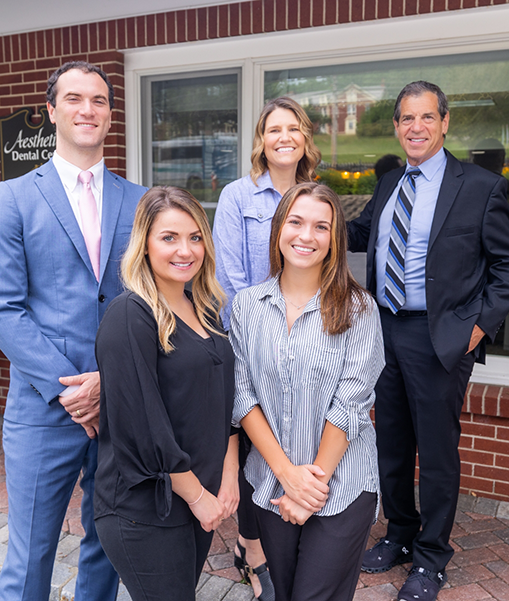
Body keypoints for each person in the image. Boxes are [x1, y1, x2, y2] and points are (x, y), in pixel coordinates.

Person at [347, 81, 509, 601]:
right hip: (385, 330)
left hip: (440, 337)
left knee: (437, 452)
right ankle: (399, 533)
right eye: (405, 119)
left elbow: (505, 267)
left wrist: (477, 328)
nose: (415, 127)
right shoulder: (391, 181)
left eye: (425, 118)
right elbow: (358, 235)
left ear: (444, 123)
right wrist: (298, 210)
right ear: (396, 126)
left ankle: (433, 556)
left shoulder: (482, 186)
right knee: (390, 441)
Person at [0, 61, 146, 600]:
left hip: (118, 406)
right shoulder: (11, 199)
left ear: (110, 114)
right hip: (44, 409)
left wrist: (109, 383)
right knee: (32, 553)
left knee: (107, 546)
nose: (88, 109)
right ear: (52, 111)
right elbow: (4, 310)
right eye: (75, 99)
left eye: (100, 101)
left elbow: (151, 302)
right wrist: (76, 389)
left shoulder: (139, 200)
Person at [230, 182, 385, 601]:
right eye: (296, 222)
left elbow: (351, 403)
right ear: (279, 228)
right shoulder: (246, 306)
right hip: (270, 484)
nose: (306, 236)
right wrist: (286, 476)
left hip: (341, 484)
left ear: (334, 240)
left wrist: (309, 488)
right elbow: (242, 397)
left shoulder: (359, 309)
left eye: (321, 227)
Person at [94, 186, 238, 601]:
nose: (185, 250)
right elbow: (142, 425)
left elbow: (225, 400)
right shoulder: (130, 316)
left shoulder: (205, 308)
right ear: (145, 243)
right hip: (147, 508)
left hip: (200, 498)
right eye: (169, 237)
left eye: (195, 237)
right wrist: (197, 497)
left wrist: (228, 479)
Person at [212, 96, 320, 601]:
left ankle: (285, 531)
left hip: (307, 343)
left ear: (304, 138)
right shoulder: (238, 197)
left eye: (293, 128)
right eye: (274, 129)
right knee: (253, 447)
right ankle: (252, 551)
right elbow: (228, 278)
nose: (283, 137)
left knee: (291, 439)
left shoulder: (315, 195)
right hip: (250, 342)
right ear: (262, 139)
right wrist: (260, 336)